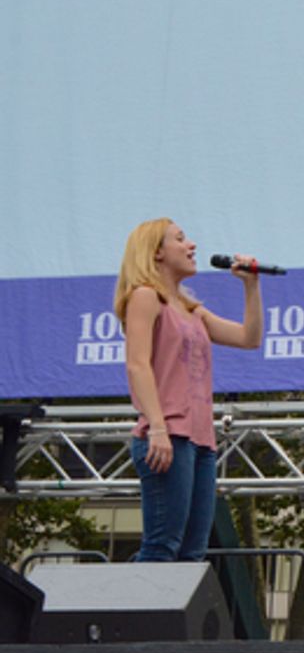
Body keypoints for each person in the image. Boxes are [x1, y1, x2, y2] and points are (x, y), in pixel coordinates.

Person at [114, 218, 263, 562]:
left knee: (192, 552)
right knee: (162, 546)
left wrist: (251, 286)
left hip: (201, 440)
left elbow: (249, 338)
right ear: (157, 253)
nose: (191, 245)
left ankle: (168, 617)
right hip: (168, 433)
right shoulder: (145, 296)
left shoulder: (192, 311)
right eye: (180, 239)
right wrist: (158, 427)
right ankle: (136, 615)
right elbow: (138, 364)